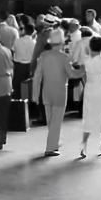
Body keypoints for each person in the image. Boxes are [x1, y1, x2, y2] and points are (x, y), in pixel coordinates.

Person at [32, 28, 81, 157]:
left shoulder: (43, 56)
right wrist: (83, 71)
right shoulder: (65, 57)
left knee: (50, 120)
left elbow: (37, 76)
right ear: (61, 43)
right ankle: (51, 147)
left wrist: (35, 94)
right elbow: (71, 74)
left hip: (46, 92)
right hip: (60, 92)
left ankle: (55, 141)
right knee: (56, 121)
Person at [78, 36, 101, 157]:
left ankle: (83, 144)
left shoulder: (86, 61)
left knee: (89, 116)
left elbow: (83, 76)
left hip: (89, 89)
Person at [11, 23, 35, 99]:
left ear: (24, 31)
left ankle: (17, 102)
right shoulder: (34, 43)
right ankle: (27, 101)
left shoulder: (18, 41)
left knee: (17, 86)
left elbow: (13, 50)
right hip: (29, 66)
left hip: (18, 66)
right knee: (28, 85)